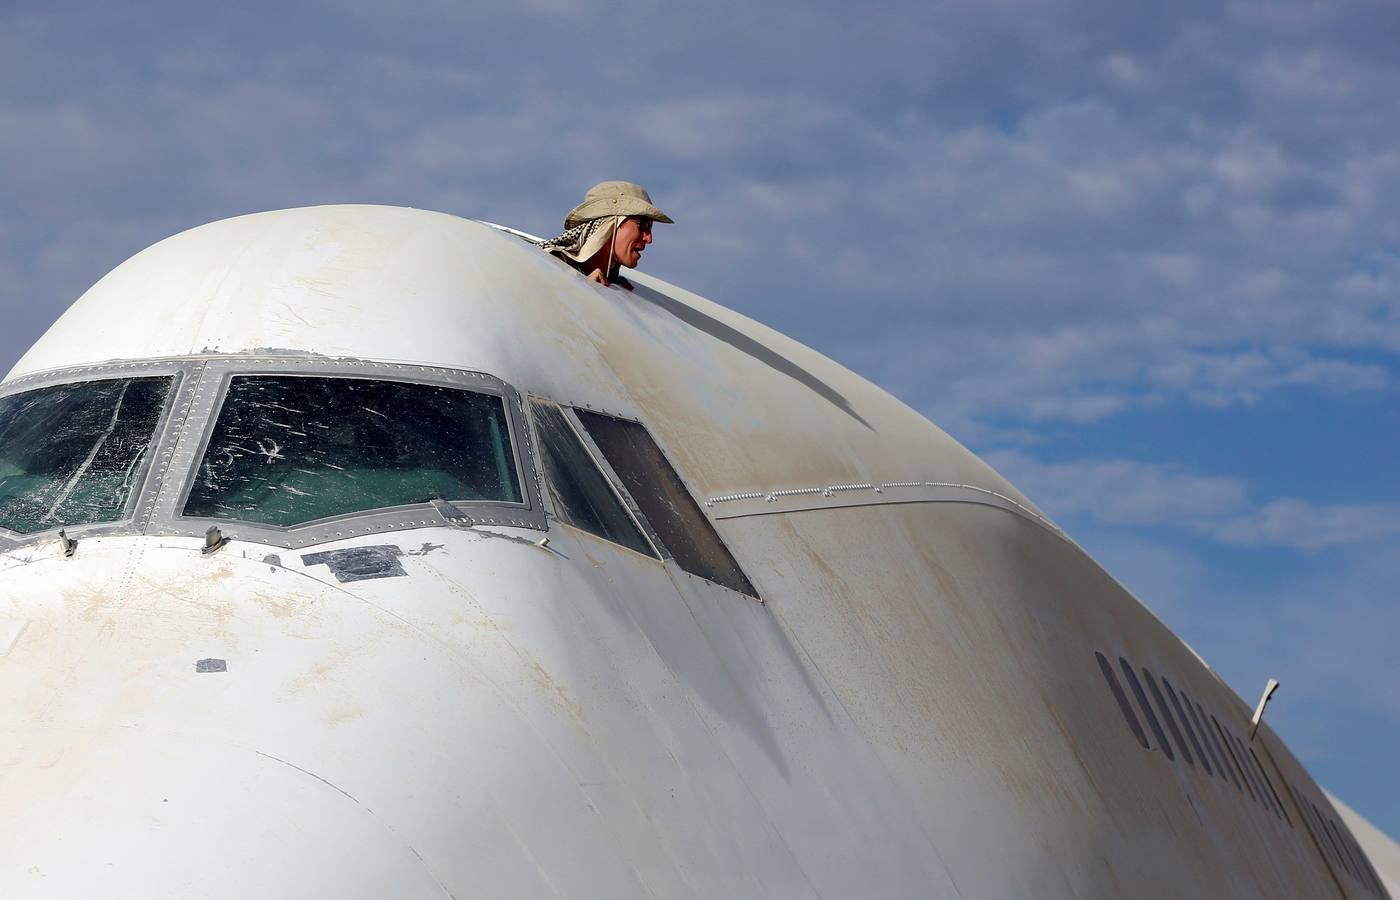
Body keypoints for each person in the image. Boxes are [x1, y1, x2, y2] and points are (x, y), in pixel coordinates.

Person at [538, 181, 673, 290]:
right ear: (611, 224)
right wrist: (581, 289)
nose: (649, 239)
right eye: (643, 226)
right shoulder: (549, 263)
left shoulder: (622, 288)